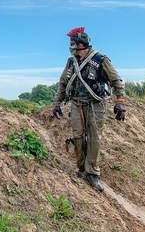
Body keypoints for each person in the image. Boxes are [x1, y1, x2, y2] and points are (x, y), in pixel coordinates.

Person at [51, 27, 126, 192]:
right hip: (77, 103)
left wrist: (120, 102)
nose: (70, 46)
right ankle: (81, 168)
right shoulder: (71, 62)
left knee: (94, 138)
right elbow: (63, 83)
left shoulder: (100, 59)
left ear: (80, 44)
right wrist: (56, 103)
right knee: (78, 136)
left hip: (95, 104)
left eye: (72, 43)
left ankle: (92, 172)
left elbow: (115, 80)